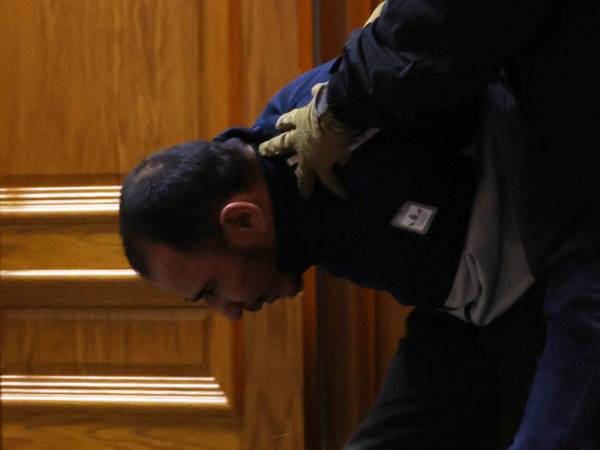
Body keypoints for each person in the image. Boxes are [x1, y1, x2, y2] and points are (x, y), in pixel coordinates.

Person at [120, 57, 553, 449]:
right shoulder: (286, 216)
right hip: (463, 313)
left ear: (244, 221)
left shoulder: (337, 118)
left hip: (549, 281)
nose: (229, 312)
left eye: (212, 289)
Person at [258, 2, 600, 449]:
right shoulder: (296, 151)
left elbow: (439, 22)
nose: (225, 312)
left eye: (209, 289)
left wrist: (337, 109)